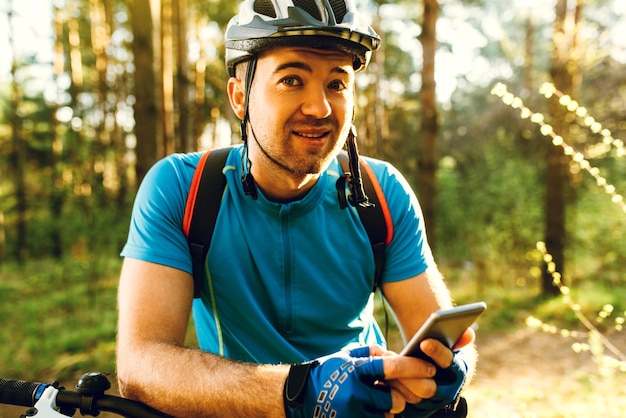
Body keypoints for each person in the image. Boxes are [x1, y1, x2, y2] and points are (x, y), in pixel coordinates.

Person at [116, 0, 478, 417]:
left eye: (337, 84)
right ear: (240, 97)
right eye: (292, 79)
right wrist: (298, 392)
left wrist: (452, 368)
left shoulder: (381, 192)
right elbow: (140, 366)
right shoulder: (185, 189)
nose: (320, 108)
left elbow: (445, 335)